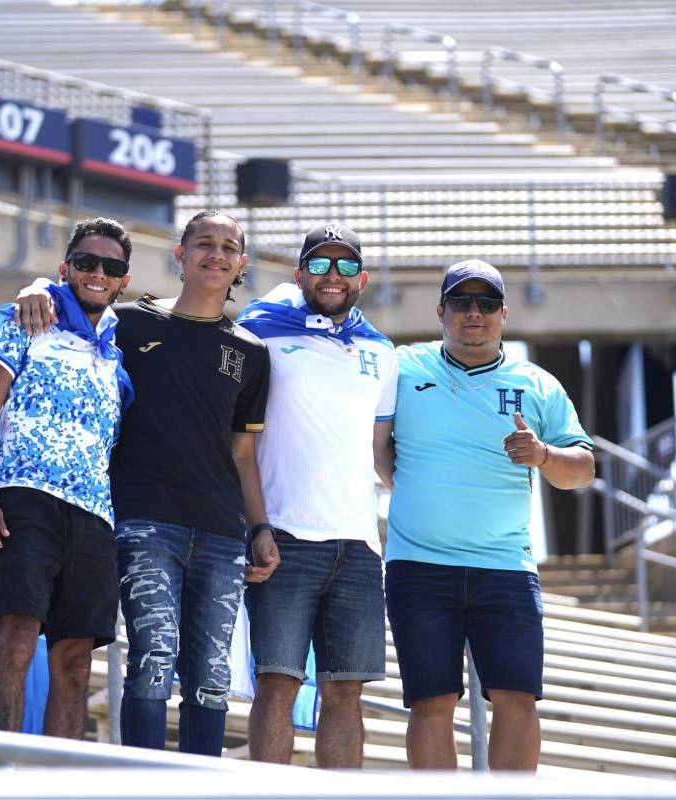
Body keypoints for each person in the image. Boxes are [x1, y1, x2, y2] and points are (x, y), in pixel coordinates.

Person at [12, 211, 275, 756]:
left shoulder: (250, 351)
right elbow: (75, 295)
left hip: (223, 534)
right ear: (179, 254)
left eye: (229, 247)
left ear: (242, 264)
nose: (216, 254)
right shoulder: (126, 324)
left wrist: (260, 526)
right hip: (143, 523)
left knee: (211, 675)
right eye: (204, 243)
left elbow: (243, 451)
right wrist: (36, 284)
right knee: (153, 658)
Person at [378, 259, 595, 771]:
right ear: (440, 310)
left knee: (517, 699)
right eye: (461, 302)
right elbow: (377, 450)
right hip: (418, 565)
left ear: (504, 313)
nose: (474, 313)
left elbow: (582, 469)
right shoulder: (403, 367)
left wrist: (542, 455)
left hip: (506, 567)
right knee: (431, 702)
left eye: (487, 303)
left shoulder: (538, 383)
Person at [0, 217, 134, 737]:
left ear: (124, 280)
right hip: (24, 501)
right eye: (85, 262)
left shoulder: (119, 352)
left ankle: (60, 785)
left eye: (111, 267)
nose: (97, 273)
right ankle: (2, 772)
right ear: (64, 269)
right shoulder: (25, 320)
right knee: (17, 638)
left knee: (76, 663)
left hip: (96, 517)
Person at [236, 223, 396, 768]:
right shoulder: (259, 329)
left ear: (363, 279)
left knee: (346, 693)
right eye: (321, 264)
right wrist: (253, 526)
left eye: (346, 266)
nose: (334, 275)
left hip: (357, 546)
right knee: (277, 684)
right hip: (283, 534)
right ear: (300, 273)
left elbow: (381, 454)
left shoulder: (382, 350)